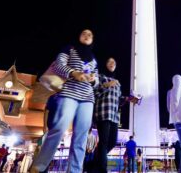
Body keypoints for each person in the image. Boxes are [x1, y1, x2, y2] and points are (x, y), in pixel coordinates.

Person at [30, 29, 99, 173]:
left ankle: (74, 170)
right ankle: (39, 166)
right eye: (84, 33)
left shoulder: (93, 58)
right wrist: (73, 73)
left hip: (87, 98)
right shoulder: (70, 49)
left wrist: (93, 80)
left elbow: (97, 80)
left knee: (81, 136)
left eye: (90, 35)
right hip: (68, 93)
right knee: (58, 129)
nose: (87, 36)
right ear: (78, 36)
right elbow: (58, 65)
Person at [93, 57, 122, 173]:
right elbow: (94, 92)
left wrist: (129, 99)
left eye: (114, 62)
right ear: (105, 64)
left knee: (112, 142)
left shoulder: (118, 83)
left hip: (114, 116)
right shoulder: (100, 77)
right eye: (109, 61)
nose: (112, 64)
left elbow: (118, 99)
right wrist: (106, 85)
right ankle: (102, 169)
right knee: (104, 142)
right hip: (103, 113)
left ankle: (94, 163)